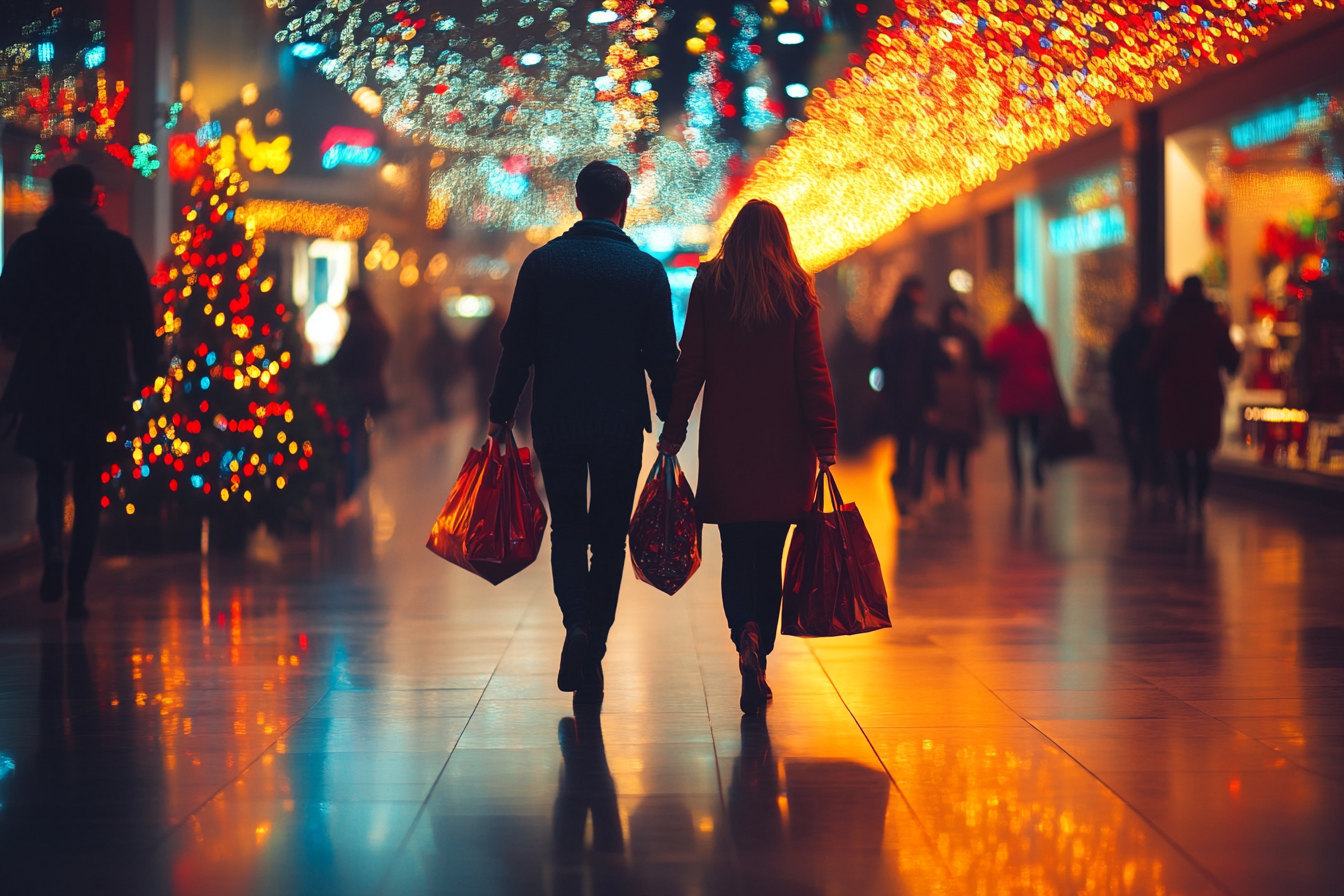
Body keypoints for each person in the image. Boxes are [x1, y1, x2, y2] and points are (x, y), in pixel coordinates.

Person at [488, 160, 679, 706]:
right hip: (620, 424)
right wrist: (671, 418)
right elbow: (661, 356)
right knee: (611, 536)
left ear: (577, 202)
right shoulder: (644, 272)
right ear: (624, 207)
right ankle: (593, 639)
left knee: (569, 528)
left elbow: (517, 347)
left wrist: (500, 411)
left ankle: (575, 622)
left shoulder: (543, 265)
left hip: (558, 420)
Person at [658, 199, 837, 715]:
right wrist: (825, 440)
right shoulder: (796, 290)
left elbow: (689, 362)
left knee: (736, 549)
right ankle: (762, 642)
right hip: (785, 447)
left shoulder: (711, 284)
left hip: (729, 443)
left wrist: (674, 428)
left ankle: (745, 634)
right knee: (771, 552)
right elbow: (813, 372)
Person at [0, 164, 157, 618]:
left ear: (52, 195)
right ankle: (78, 590)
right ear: (93, 197)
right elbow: (140, 320)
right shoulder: (116, 249)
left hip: (44, 377)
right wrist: (143, 375)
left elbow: (8, 312)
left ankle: (51, 548)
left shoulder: (30, 247)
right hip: (99, 379)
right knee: (89, 480)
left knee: (48, 474)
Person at [1142, 276, 1240, 521]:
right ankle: (1199, 500)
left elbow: (1152, 359)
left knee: (1180, 450)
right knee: (1203, 450)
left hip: (1176, 394)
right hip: (1206, 394)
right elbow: (1231, 357)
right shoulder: (1213, 321)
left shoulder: (1171, 321)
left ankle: (1186, 498)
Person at [875, 276, 949, 511]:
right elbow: (934, 365)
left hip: (896, 399)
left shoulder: (887, 326)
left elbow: (878, 364)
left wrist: (882, 392)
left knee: (903, 444)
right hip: (919, 398)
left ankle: (902, 486)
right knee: (922, 446)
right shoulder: (921, 328)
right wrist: (932, 402)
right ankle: (914, 493)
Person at [984, 300, 1062, 491]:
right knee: (1036, 435)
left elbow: (991, 358)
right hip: (1037, 392)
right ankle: (1036, 467)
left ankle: (1018, 480)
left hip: (1012, 391)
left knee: (1014, 439)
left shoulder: (1004, 334)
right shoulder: (1039, 335)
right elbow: (1049, 363)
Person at [330, 286, 390, 517]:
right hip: (372, 390)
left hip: (355, 391)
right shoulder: (376, 324)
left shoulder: (359, 325)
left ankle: (353, 490)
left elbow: (342, 358)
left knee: (352, 439)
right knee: (362, 436)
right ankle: (362, 479)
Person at [1109, 296, 1165, 498]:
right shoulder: (1156, 337)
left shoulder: (1127, 338)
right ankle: (1153, 479)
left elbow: (1115, 370)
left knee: (1139, 440)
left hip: (1133, 398)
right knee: (1150, 439)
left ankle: (1141, 478)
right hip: (1148, 398)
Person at [930, 297, 984, 496]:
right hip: (943, 398)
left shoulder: (969, 337)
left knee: (962, 442)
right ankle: (940, 481)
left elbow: (978, 365)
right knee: (943, 442)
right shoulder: (936, 337)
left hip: (963, 399)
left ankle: (962, 482)